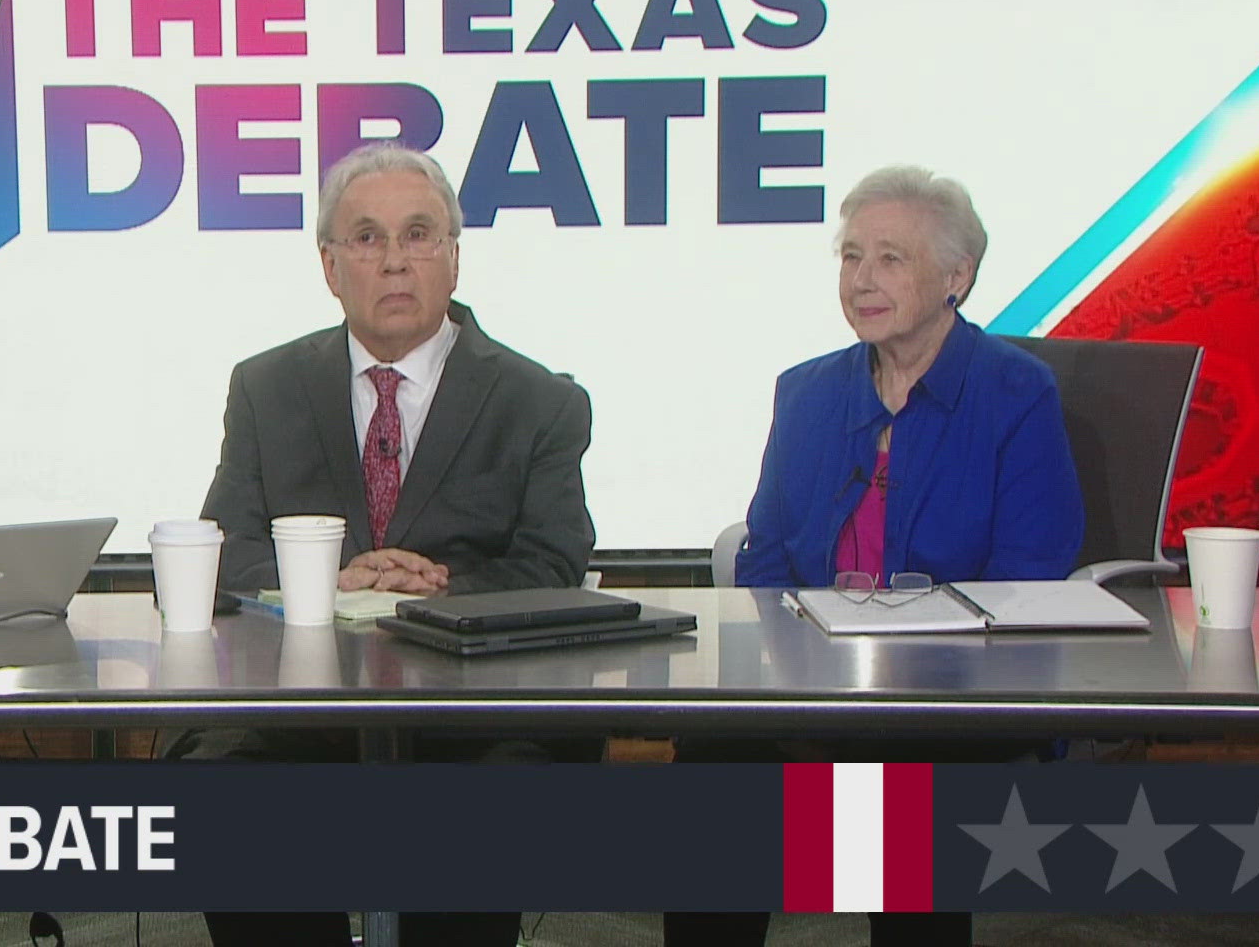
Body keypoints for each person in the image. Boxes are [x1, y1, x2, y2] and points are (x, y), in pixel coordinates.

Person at [187, 141, 597, 947]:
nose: (396, 261)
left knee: (496, 807)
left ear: (453, 256)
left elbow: (554, 566)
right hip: (295, 714)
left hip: (476, 718)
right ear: (331, 266)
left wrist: (439, 591)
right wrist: (331, 582)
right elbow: (224, 553)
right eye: (368, 239)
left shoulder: (539, 401)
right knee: (218, 793)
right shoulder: (265, 388)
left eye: (419, 235)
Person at [668, 165, 1084, 947]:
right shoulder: (808, 393)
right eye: (851, 257)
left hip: (954, 698)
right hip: (809, 687)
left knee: (897, 790)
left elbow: (1027, 576)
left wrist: (900, 672)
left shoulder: (1016, 393)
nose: (862, 279)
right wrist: (794, 669)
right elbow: (765, 556)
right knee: (713, 762)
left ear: (956, 276)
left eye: (890, 258)